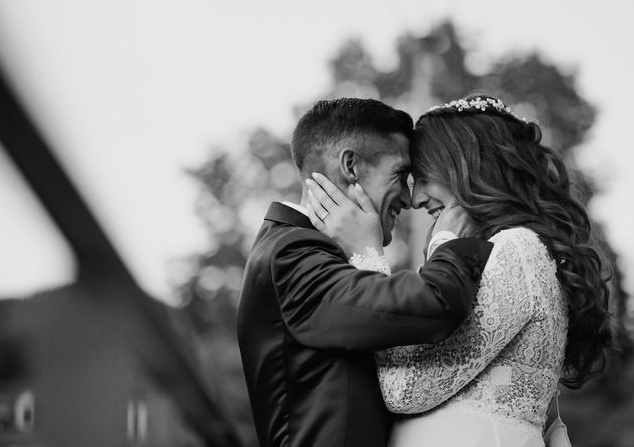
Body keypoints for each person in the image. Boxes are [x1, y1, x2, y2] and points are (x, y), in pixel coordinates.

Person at [306, 94, 613, 447]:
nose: (416, 199)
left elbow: (404, 389)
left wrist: (366, 255)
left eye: (422, 176)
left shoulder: (517, 250)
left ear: (465, 166)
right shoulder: (509, 252)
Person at [237, 98, 494, 447]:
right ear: (351, 166)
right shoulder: (289, 256)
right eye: (400, 175)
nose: (407, 197)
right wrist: (450, 238)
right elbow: (434, 303)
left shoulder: (306, 253)